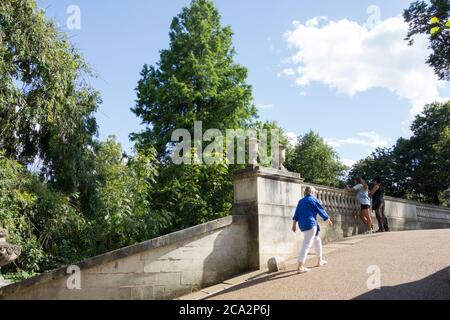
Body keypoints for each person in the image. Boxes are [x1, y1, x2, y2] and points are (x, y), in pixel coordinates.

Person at [292, 186, 333, 274]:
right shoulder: (313, 199)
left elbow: (296, 214)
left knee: (317, 240)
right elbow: (321, 210)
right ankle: (300, 266)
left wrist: (294, 225)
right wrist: (327, 219)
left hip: (303, 225)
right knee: (307, 244)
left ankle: (320, 260)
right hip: (310, 224)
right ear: (312, 192)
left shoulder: (301, 201)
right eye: (315, 192)